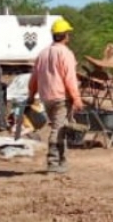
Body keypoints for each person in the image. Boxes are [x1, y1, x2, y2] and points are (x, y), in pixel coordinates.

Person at [28, 17, 84, 173]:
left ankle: (62, 163)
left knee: (60, 128)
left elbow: (34, 79)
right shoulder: (65, 54)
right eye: (68, 33)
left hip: (47, 98)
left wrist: (31, 95)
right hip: (61, 98)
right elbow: (70, 79)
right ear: (65, 35)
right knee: (58, 130)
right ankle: (53, 163)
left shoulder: (43, 54)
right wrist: (77, 99)